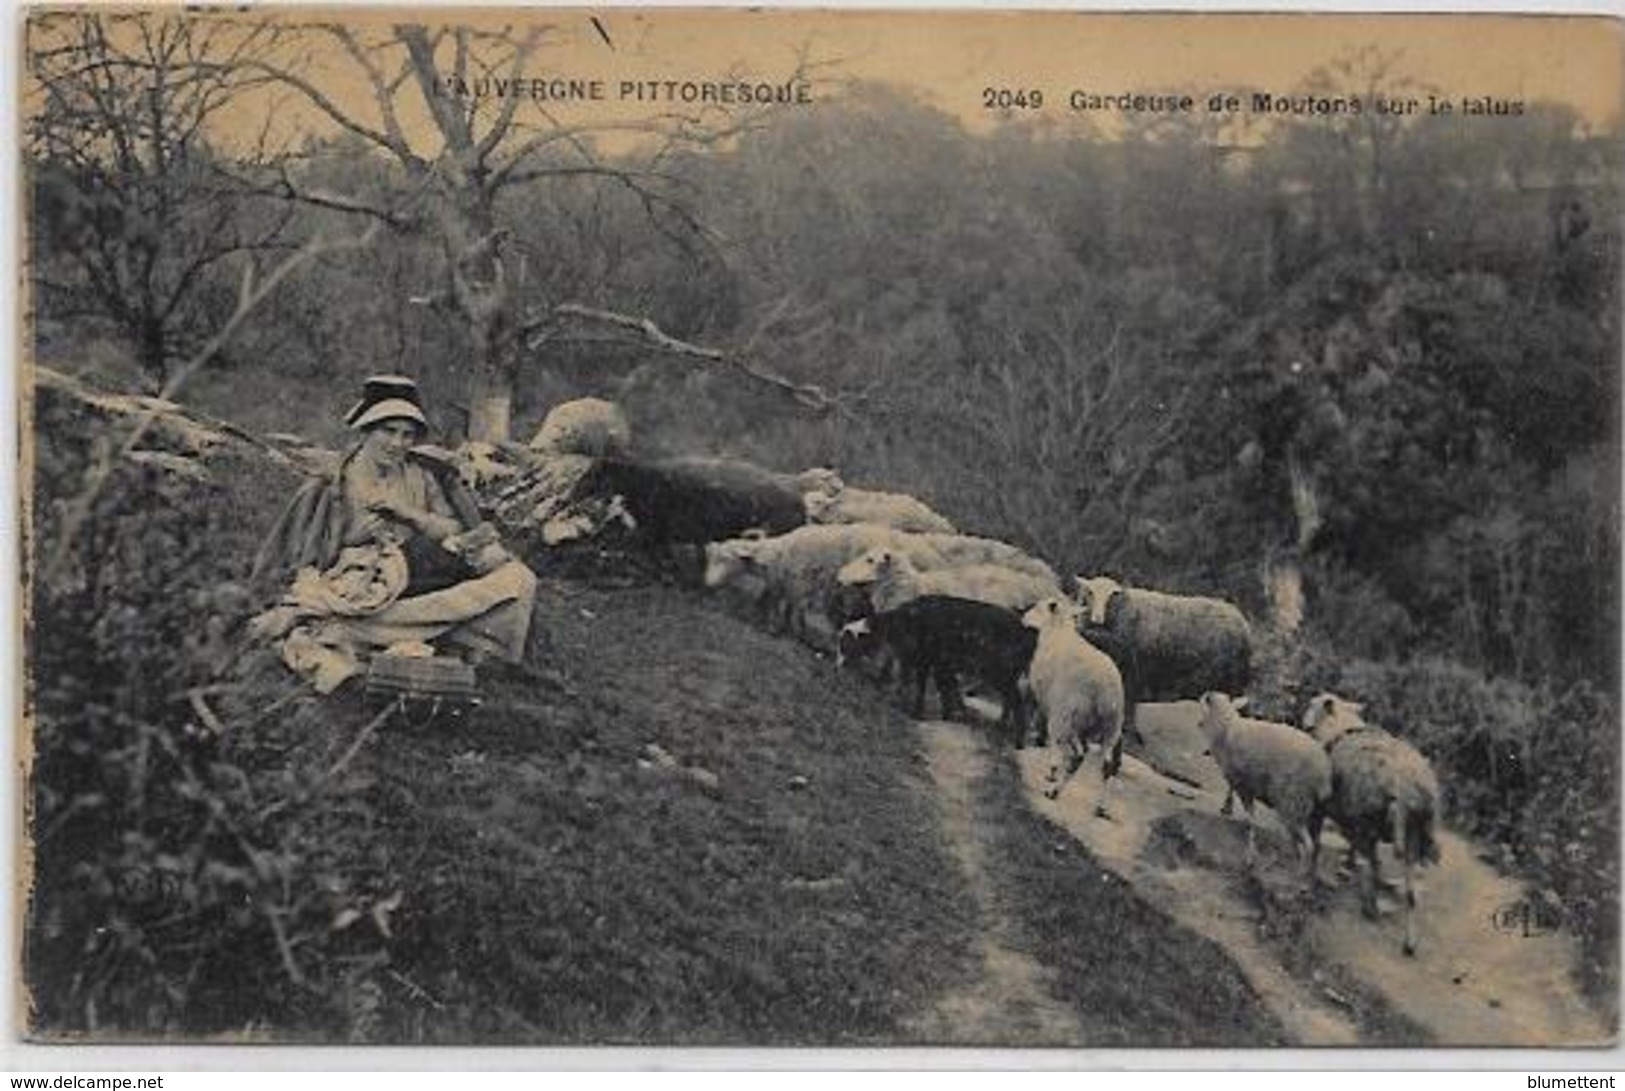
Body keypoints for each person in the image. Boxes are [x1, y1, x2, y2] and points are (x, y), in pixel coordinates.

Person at [251, 376, 539, 691]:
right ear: (366, 432)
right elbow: (307, 556)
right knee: (330, 615)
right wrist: (357, 535)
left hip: (421, 573)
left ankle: (437, 634)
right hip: (363, 586)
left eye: (407, 435)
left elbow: (454, 529)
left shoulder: (421, 474)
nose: (397, 444)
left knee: (516, 577)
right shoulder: (334, 482)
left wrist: (408, 513)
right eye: (388, 432)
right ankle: (407, 631)